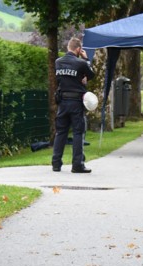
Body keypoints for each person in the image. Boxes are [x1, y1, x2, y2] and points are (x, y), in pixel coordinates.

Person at [52, 37, 95, 173]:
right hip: (76, 102)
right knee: (78, 132)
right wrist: (86, 59)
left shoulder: (58, 62)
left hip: (62, 102)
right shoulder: (80, 63)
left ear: (67, 48)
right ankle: (77, 164)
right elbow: (91, 74)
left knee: (61, 132)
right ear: (78, 49)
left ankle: (56, 163)